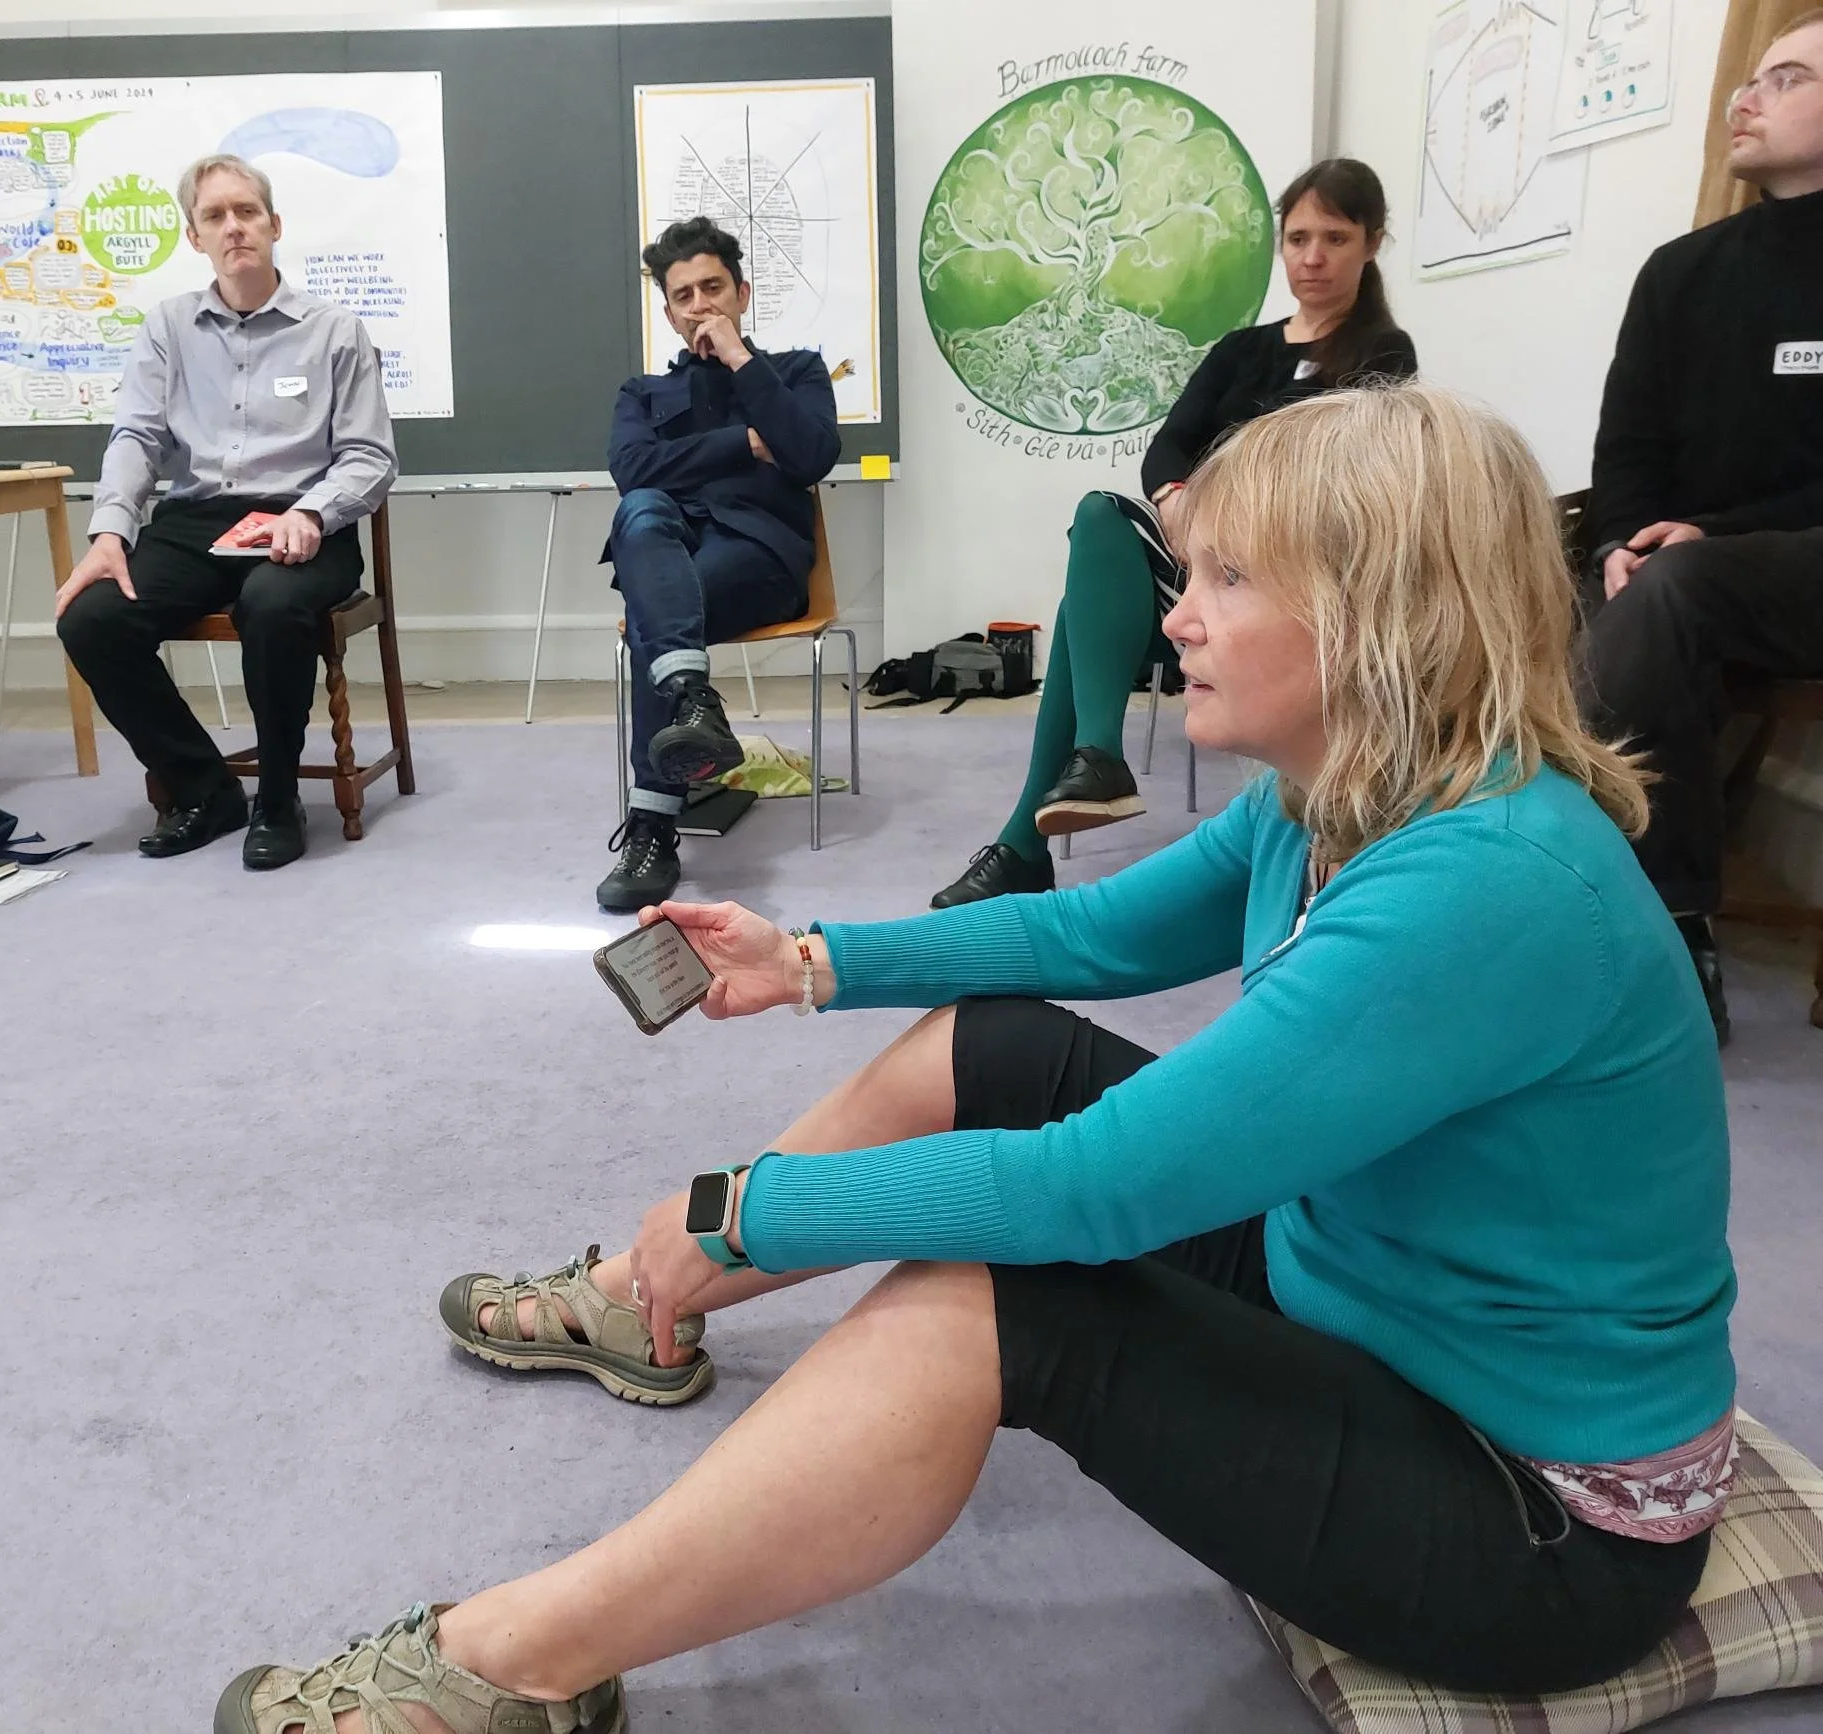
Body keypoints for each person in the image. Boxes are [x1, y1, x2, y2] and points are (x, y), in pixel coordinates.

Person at [215, 387, 1736, 1734]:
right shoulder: (1342, 787)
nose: (1177, 617)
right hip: (1367, 1303)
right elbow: (1089, 941)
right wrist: (813, 962)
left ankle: (520, 1663)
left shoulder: (1485, 887)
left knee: (991, 1303)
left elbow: (1095, 1195)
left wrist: (751, 1207)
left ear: (1379, 614)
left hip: (1538, 1515)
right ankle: (634, 1307)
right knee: (998, 1048)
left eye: (1226, 578)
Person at [933, 158, 1418, 909]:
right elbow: (1167, 448)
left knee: (1074, 621)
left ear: (1372, 244)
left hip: (1301, 587)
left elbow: (1358, 486)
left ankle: (1033, 837)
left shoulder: (1385, 357)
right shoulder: (1242, 350)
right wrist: (1181, 504)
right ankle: (1094, 761)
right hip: (1202, 574)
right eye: (1298, 238)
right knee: (1100, 515)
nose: (1313, 256)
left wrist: (1243, 524)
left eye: (1335, 237)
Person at [1580, 8, 1823, 1044]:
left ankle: (1664, 929)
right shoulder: (1677, 274)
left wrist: (1704, 535)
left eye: (1785, 79)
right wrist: (1617, 545)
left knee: (1677, 586)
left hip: (1791, 563)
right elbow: (1623, 459)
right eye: (1748, 77)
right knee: (1481, 565)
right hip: (1683, 563)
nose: (1744, 95)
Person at [56, 152, 397, 872]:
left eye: (247, 212)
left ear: (275, 225)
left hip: (308, 519)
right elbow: (137, 437)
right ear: (194, 237)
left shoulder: (335, 330)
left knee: (272, 606)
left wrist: (312, 513)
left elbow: (369, 457)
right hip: (197, 522)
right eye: (215, 216)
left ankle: (277, 798)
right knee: (90, 618)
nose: (234, 227)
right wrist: (110, 530)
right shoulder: (168, 328)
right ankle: (205, 789)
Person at [596, 217, 842, 913]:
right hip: (667, 546)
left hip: (761, 558)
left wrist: (741, 363)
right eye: (685, 295)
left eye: (713, 288)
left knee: (657, 614)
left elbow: (812, 453)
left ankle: (651, 826)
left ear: (742, 293)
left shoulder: (794, 372)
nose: (701, 304)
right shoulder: (640, 393)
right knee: (642, 509)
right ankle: (694, 699)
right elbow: (634, 469)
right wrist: (745, 443)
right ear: (669, 313)